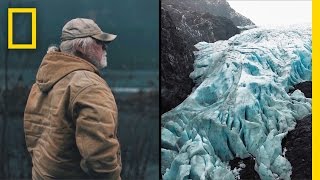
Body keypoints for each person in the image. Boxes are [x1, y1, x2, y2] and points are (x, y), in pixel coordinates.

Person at [24, 18, 121, 179]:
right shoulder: (89, 86)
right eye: (99, 42)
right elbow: (100, 155)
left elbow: (33, 138)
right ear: (80, 47)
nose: (105, 47)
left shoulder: (42, 81)